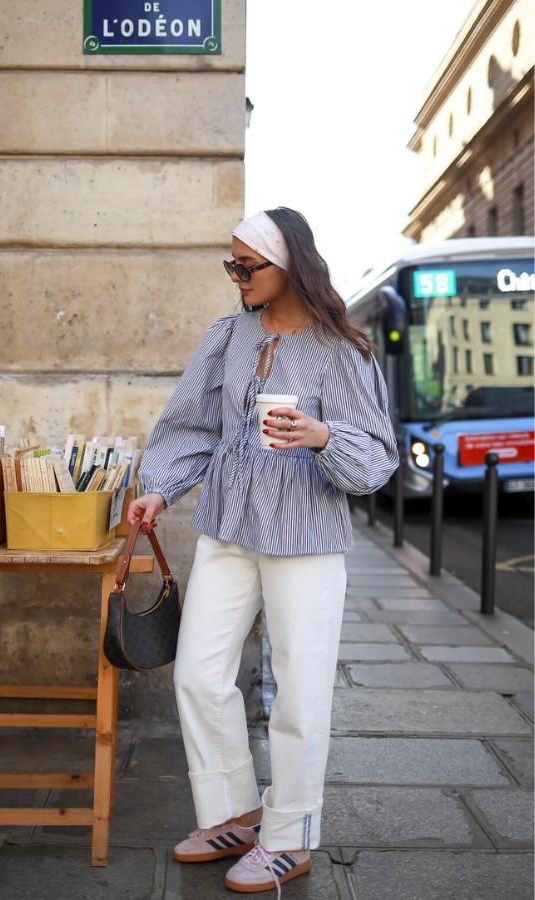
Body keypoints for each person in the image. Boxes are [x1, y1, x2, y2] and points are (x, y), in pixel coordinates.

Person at [128, 207, 399, 895]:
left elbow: (377, 458)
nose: (237, 277)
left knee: (300, 692)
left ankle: (290, 836)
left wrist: (321, 436)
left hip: (305, 534)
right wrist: (160, 487)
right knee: (198, 673)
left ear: (290, 265)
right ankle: (233, 812)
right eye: (232, 264)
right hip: (228, 525)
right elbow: (190, 424)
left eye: (248, 266)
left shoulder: (343, 350)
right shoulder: (228, 337)